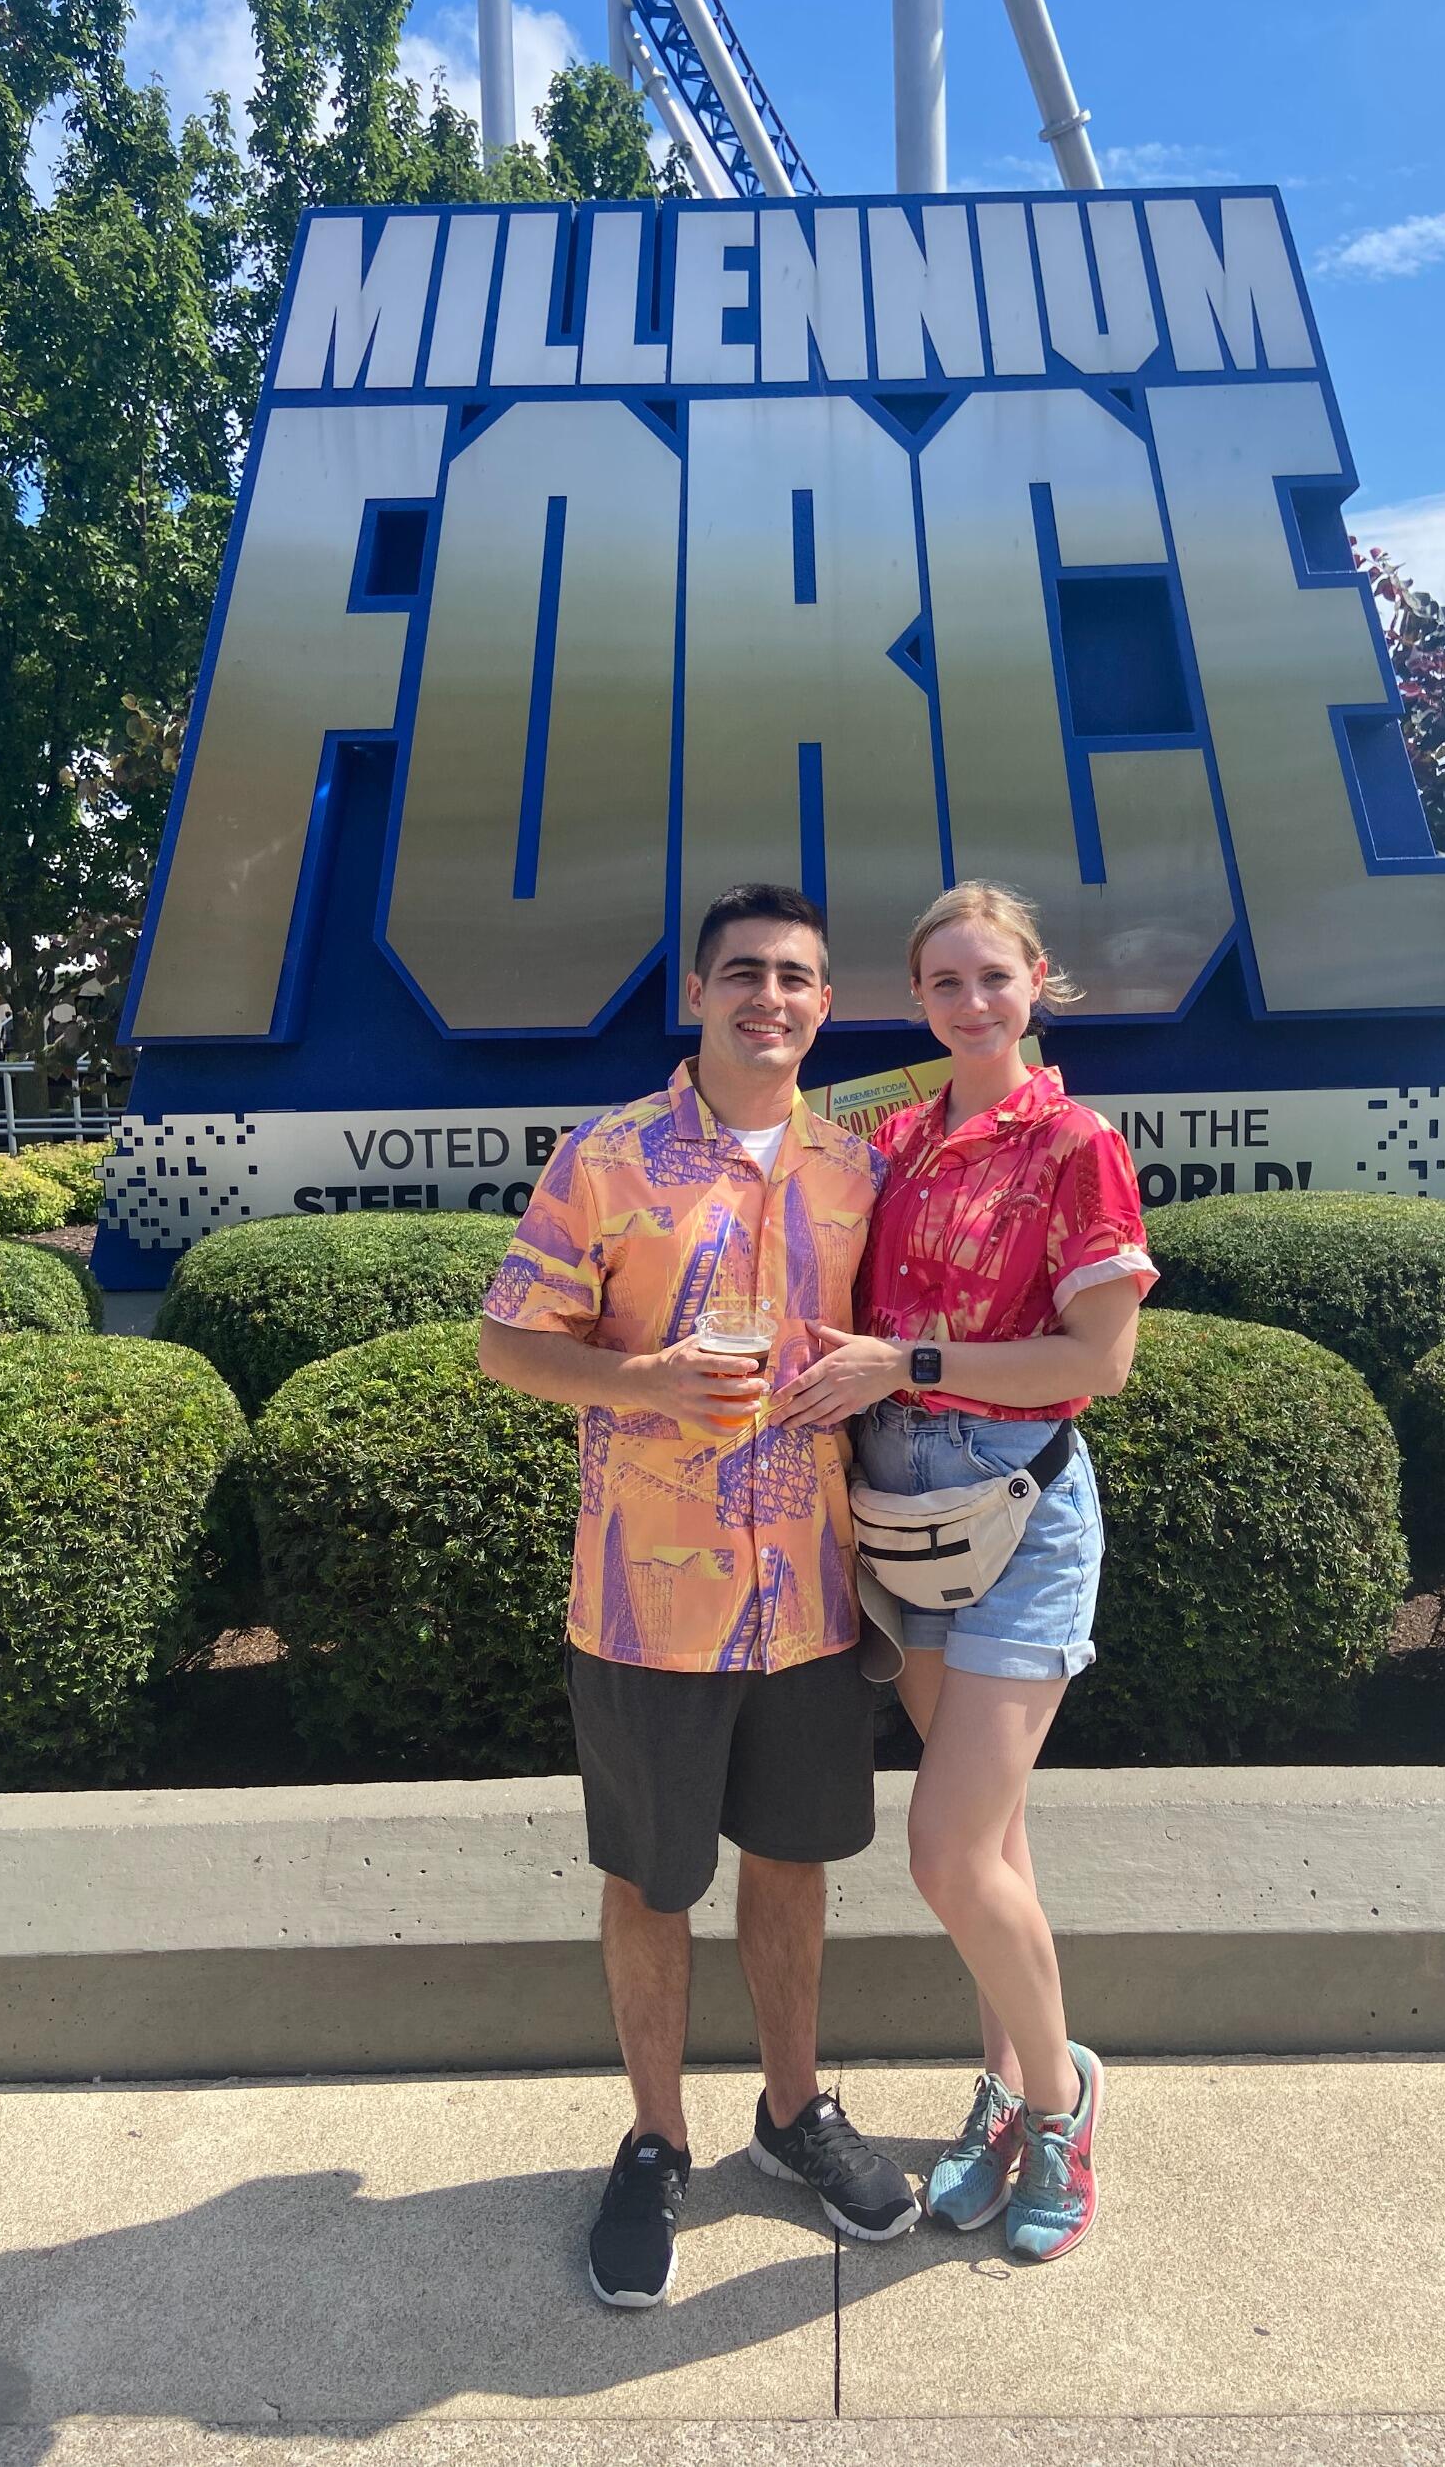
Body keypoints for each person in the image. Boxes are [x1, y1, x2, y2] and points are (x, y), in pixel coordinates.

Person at [478, 883, 920, 2310]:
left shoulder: (856, 1172)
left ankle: (791, 2115)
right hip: (644, 1604)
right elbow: (506, 1342)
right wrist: (643, 1381)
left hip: (809, 1595)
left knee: (794, 1865)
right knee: (653, 1881)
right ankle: (656, 2140)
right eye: (744, 973)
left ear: (824, 1004)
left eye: (796, 977)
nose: (770, 998)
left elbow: (907, 1337)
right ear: (697, 990)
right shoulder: (604, 1160)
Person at [777, 880, 1156, 2263]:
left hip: (1017, 1507)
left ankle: (1061, 2107)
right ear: (919, 999)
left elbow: (1096, 1364)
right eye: (946, 982)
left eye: (995, 977)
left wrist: (909, 1364)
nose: (973, 1001)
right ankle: (1005, 2093)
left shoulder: (1073, 1143)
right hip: (902, 1505)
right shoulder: (900, 1141)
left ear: (1037, 981)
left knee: (942, 1848)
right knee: (989, 1843)